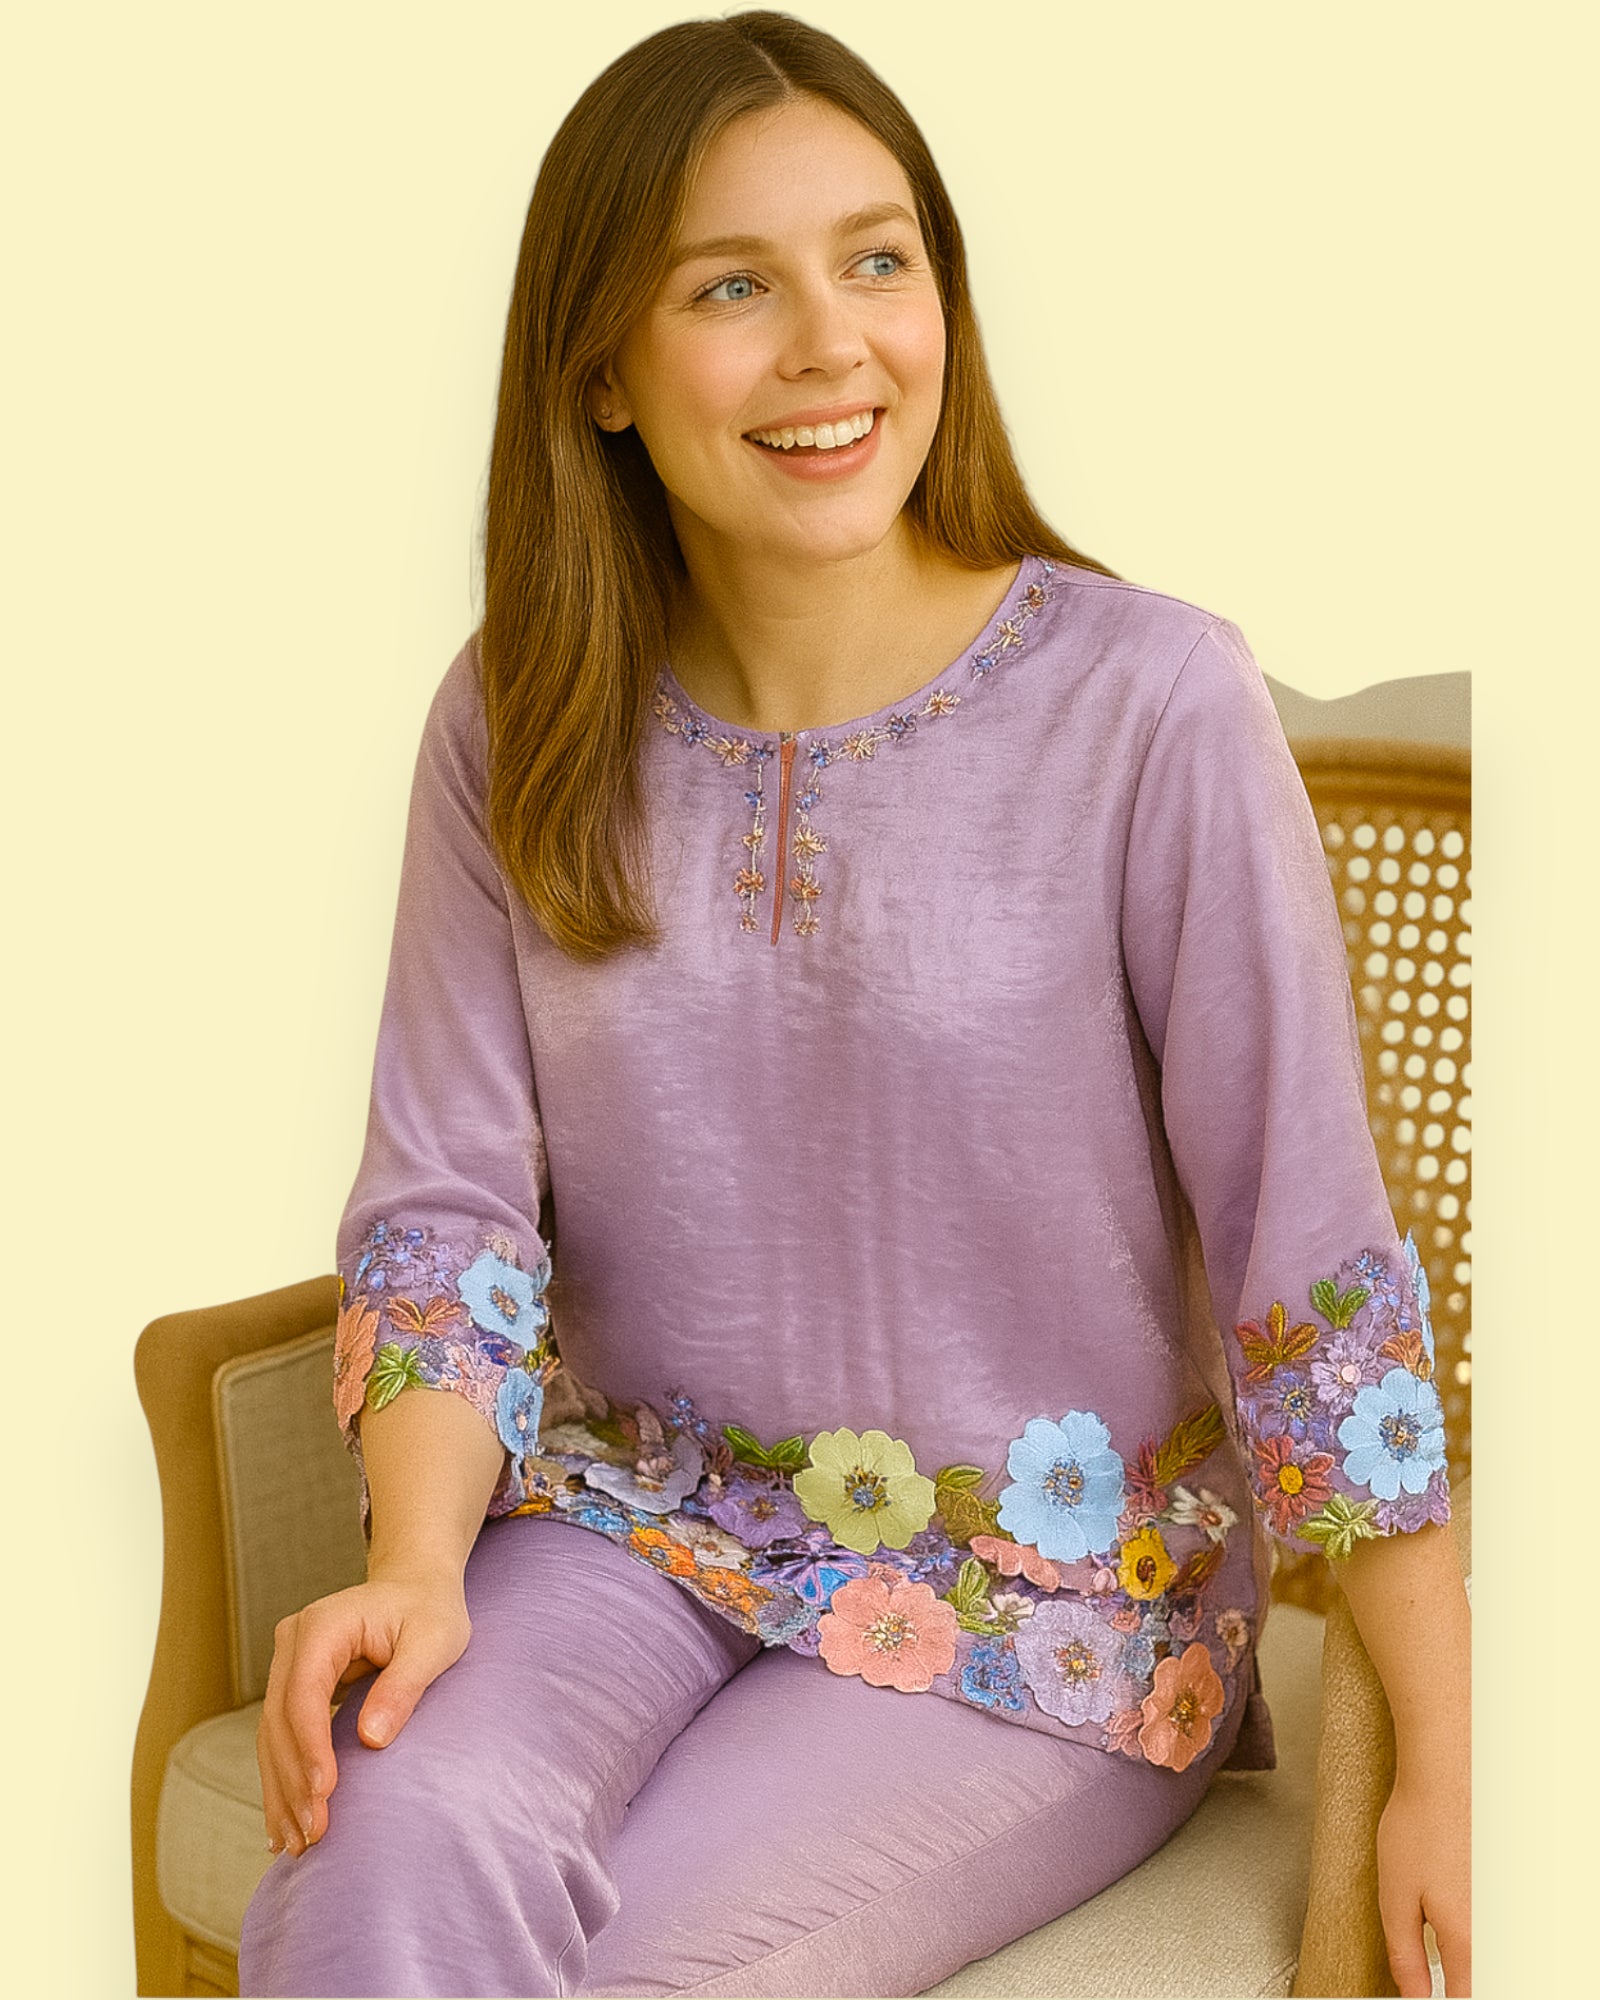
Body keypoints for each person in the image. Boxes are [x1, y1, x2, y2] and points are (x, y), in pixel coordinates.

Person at [239, 11, 1471, 1996]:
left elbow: (1305, 1251)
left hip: (1040, 1608)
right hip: (629, 1526)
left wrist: (1442, 1752)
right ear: (602, 371)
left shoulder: (1150, 704)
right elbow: (450, 1206)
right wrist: (407, 1563)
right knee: (383, 1858)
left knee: (628, 1967)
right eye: (732, 286)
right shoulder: (513, 717)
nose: (829, 344)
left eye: (875, 259)